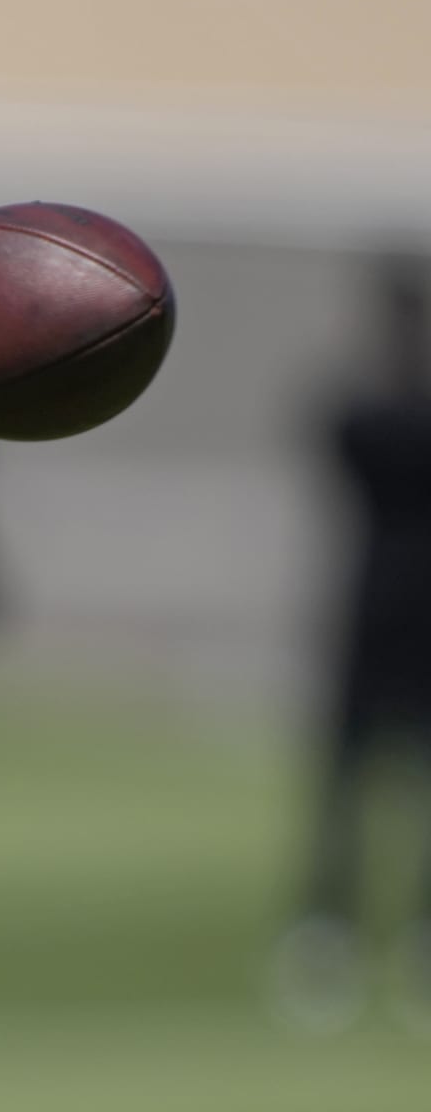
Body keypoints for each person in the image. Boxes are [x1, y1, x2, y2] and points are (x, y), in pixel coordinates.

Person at [271, 250, 431, 1033]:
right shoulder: (363, 412)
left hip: (414, 620)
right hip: (368, 613)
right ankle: (327, 930)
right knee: (344, 786)